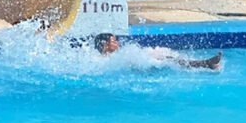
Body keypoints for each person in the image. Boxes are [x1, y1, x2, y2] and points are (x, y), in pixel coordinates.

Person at [92, 33, 223, 70]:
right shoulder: (105, 61)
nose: (118, 43)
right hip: (141, 69)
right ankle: (205, 64)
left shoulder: (119, 56)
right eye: (114, 41)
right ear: (105, 45)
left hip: (143, 66)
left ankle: (205, 64)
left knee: (168, 59)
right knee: (169, 61)